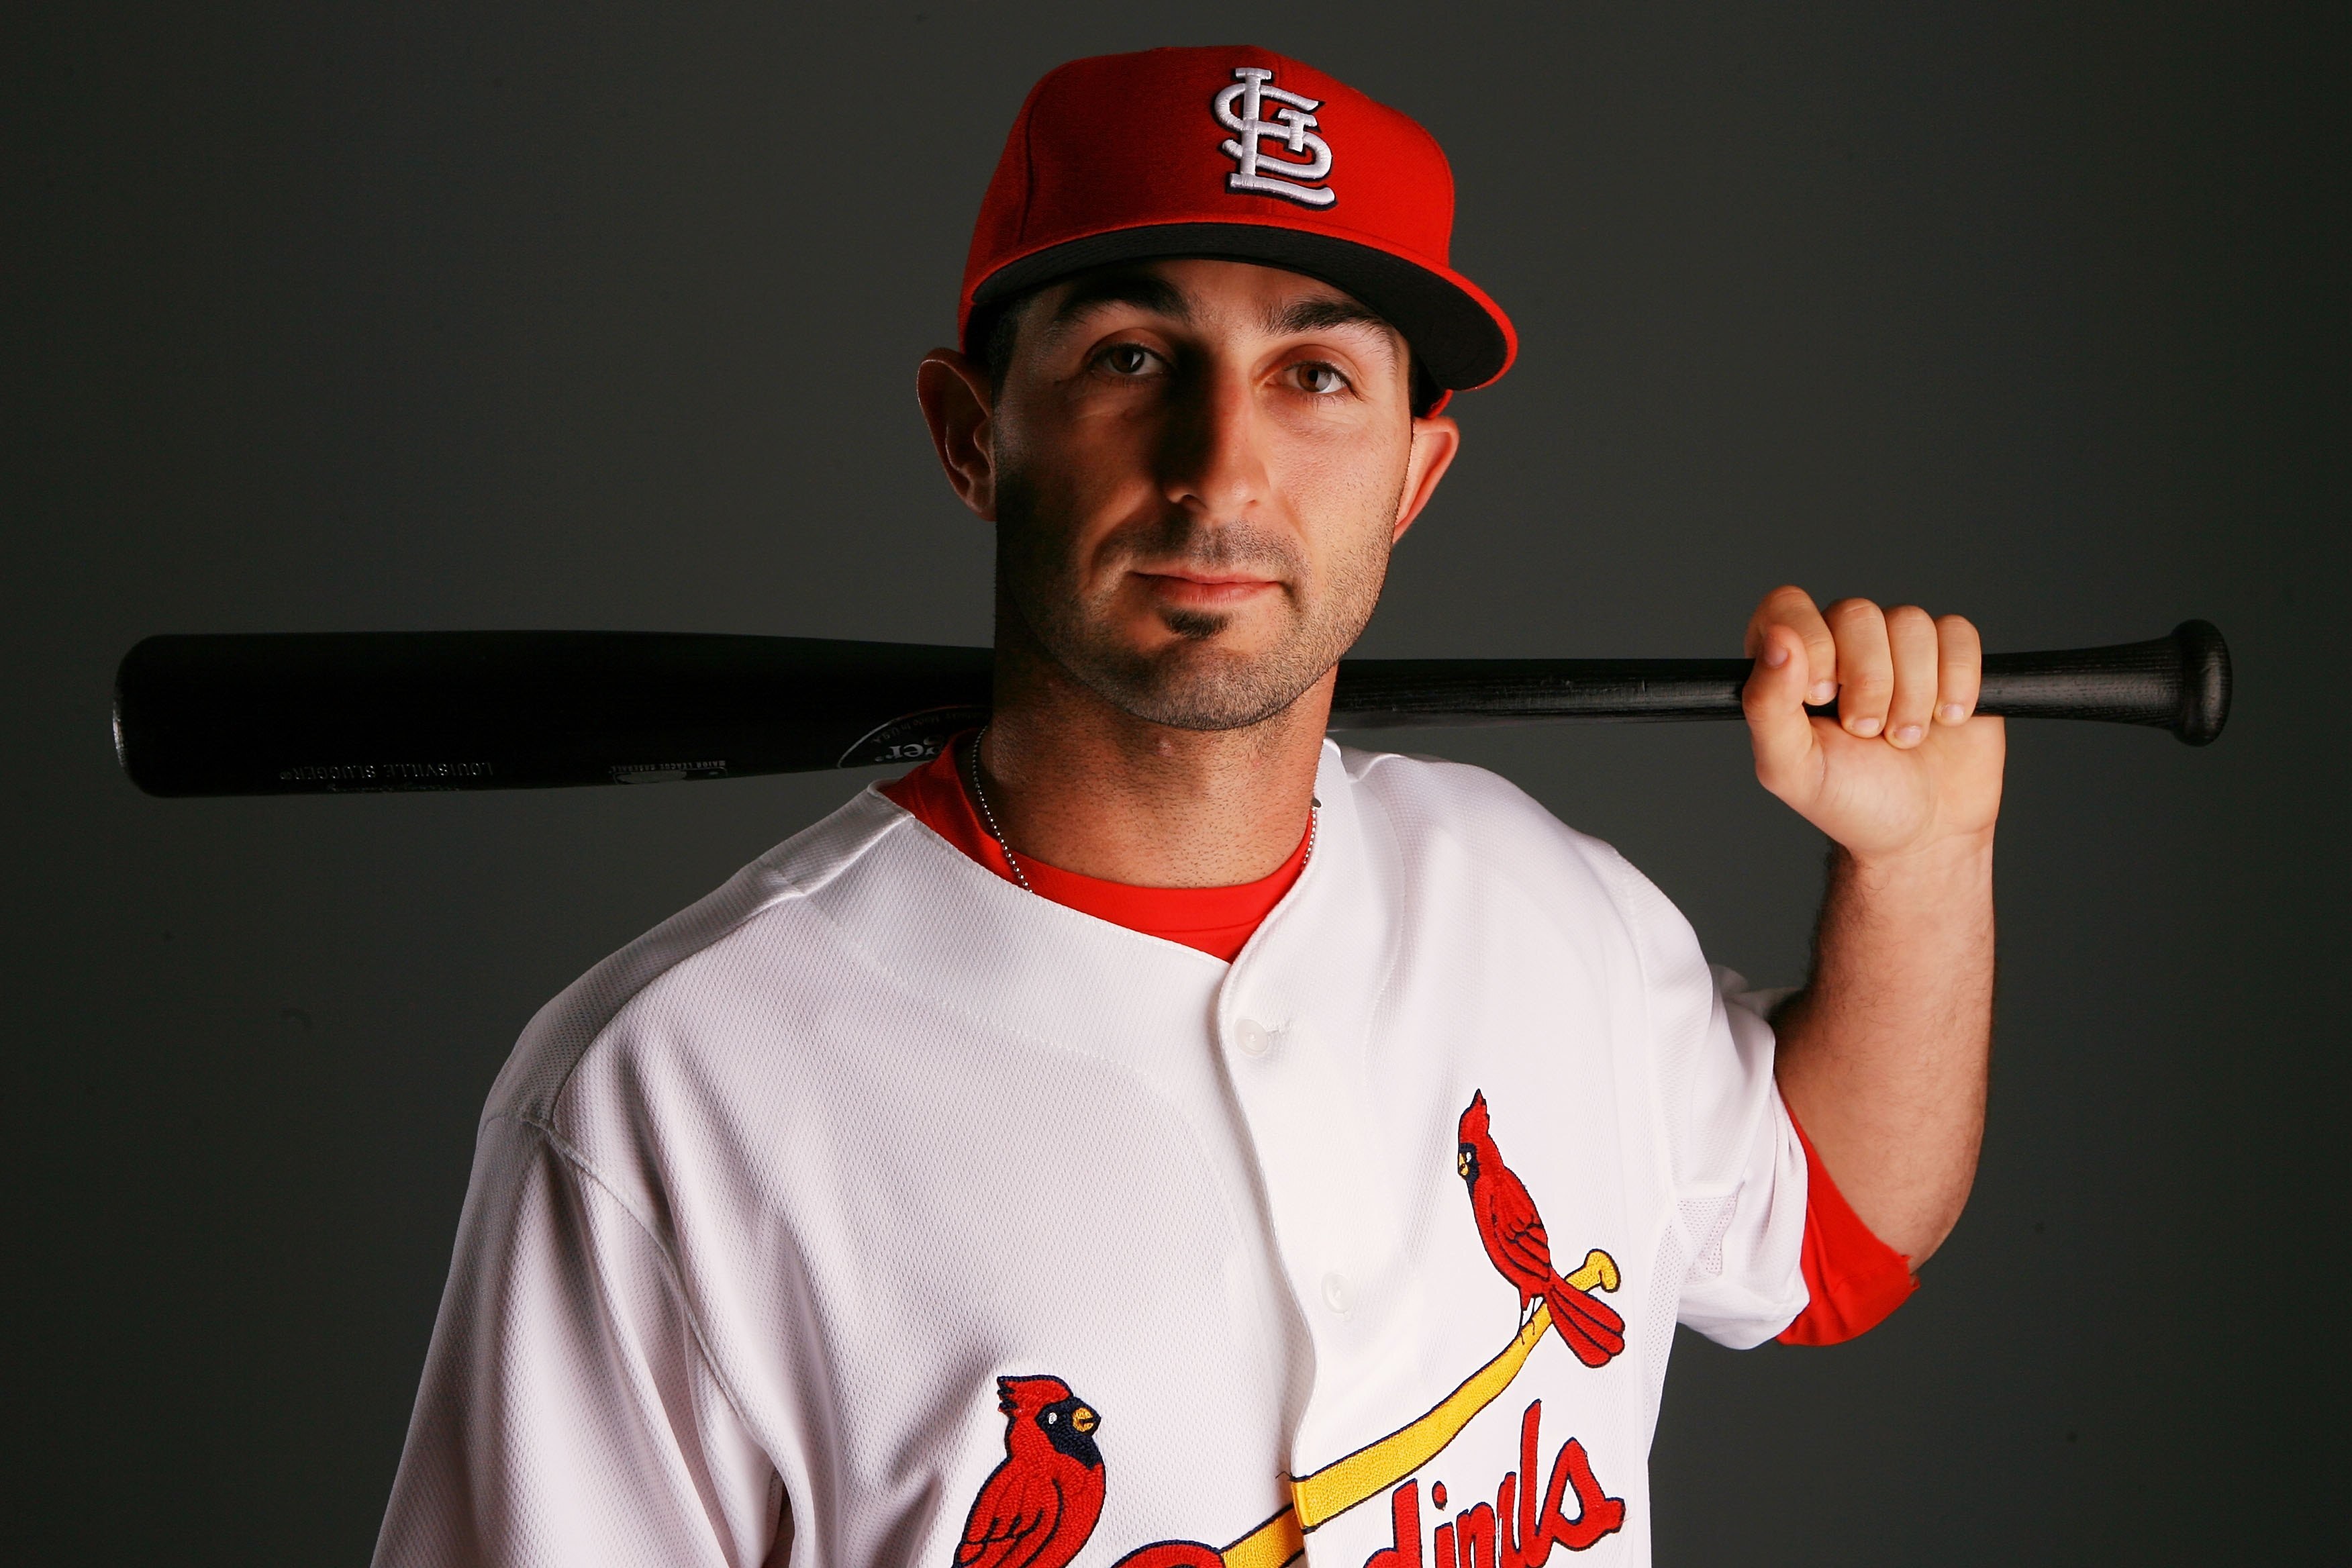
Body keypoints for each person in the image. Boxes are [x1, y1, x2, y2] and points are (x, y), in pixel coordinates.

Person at [373, 46, 1999, 1568]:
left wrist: (1925, 858)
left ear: (1414, 474)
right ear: (971, 435)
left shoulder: (1546, 902)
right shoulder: (670, 1093)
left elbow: (1838, 1235)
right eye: (1133, 359)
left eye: (1315, 375)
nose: (1220, 473)